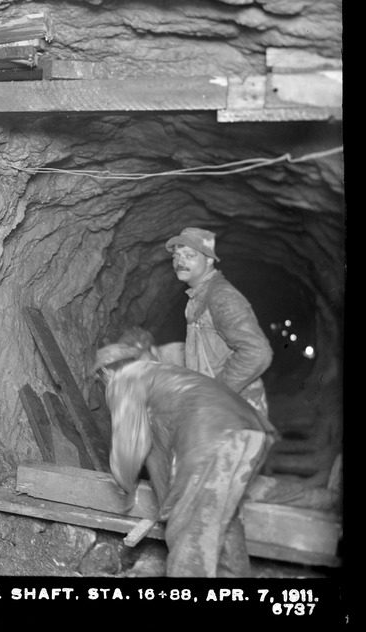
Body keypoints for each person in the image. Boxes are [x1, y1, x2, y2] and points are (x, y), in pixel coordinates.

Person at [93, 342, 276, 577]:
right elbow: (156, 452)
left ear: (106, 371)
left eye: (100, 379)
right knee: (222, 520)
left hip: (212, 439)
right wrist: (168, 503)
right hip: (252, 435)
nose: (102, 384)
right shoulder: (162, 378)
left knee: (188, 532)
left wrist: (124, 481)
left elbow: (130, 446)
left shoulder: (124, 380)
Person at [166, 227, 273, 420]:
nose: (180, 262)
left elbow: (257, 352)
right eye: (176, 256)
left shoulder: (221, 297)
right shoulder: (198, 297)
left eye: (189, 255)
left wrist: (216, 393)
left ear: (209, 260)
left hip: (235, 414)